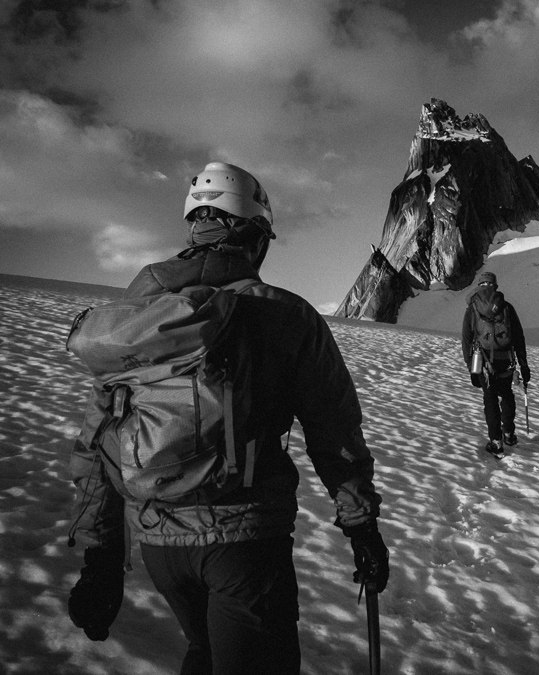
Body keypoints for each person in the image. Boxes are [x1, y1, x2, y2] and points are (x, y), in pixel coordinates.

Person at [67, 162, 389, 674]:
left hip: (160, 543)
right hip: (244, 544)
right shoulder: (285, 314)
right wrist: (361, 525)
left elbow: (98, 437)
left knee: (205, 652)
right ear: (255, 237)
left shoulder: (141, 316)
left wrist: (100, 557)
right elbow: (334, 433)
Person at [461, 271, 531, 456]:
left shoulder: (473, 308)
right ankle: (509, 433)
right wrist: (524, 365)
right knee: (506, 395)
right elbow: (518, 337)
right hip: (506, 360)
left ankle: (496, 441)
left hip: (484, 363)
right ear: (495, 286)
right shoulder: (506, 307)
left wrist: (471, 367)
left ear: (480, 285)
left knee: (490, 398)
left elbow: (466, 339)